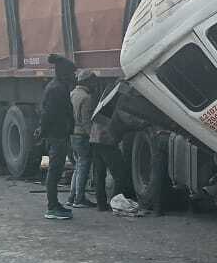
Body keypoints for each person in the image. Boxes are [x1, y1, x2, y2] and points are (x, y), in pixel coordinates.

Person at [90, 90, 143, 212]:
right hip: (107, 140)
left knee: (99, 174)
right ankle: (116, 203)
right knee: (120, 174)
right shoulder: (120, 100)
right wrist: (143, 123)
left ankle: (101, 204)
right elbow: (127, 118)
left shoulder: (104, 100)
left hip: (95, 139)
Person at [38, 54, 76, 220]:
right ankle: (52, 206)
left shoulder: (57, 87)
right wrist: (44, 131)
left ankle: (54, 205)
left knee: (55, 170)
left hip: (58, 134)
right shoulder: (57, 89)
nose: (73, 76)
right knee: (54, 171)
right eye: (71, 72)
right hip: (57, 135)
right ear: (64, 72)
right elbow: (49, 115)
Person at [67, 70, 98, 209]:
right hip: (82, 136)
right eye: (92, 81)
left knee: (78, 166)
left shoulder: (72, 94)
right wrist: (93, 136)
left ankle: (71, 197)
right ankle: (79, 198)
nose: (94, 84)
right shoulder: (86, 98)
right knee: (83, 167)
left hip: (72, 135)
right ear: (87, 82)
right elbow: (86, 121)